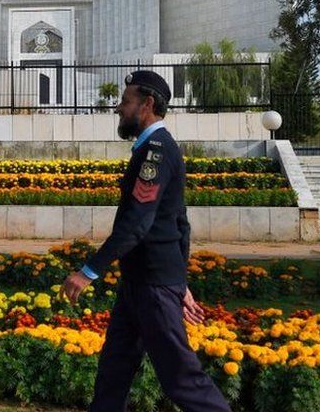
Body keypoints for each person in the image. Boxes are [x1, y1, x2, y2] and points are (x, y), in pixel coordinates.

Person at [60, 70, 232, 412]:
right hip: (140, 283)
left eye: (126, 101)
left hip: (153, 285)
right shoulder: (151, 150)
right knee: (114, 371)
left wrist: (88, 272)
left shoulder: (157, 151)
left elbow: (137, 223)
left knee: (181, 379)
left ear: (147, 104)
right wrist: (180, 280)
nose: (119, 108)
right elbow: (180, 222)